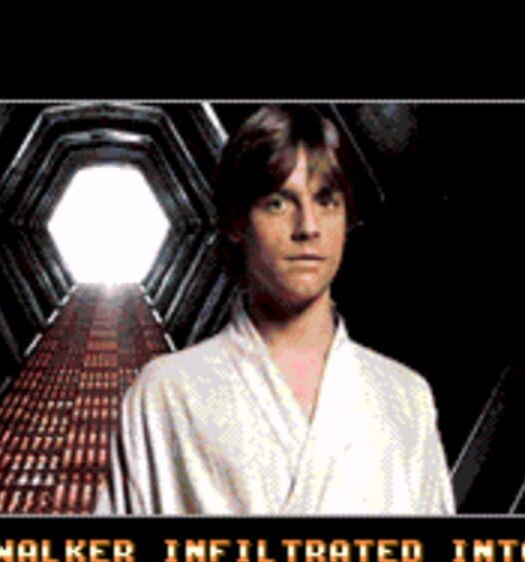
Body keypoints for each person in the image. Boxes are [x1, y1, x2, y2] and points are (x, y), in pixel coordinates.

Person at [99, 105, 454, 515]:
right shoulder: (165, 394)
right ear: (237, 222)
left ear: (346, 219)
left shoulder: (405, 398)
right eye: (278, 204)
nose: (308, 227)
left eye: (326, 201)